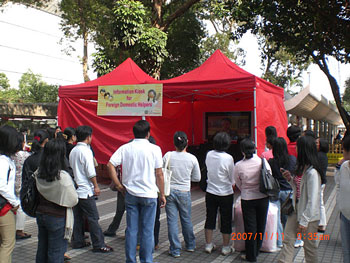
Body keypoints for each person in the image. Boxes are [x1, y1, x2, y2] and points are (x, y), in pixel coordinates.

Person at [107, 120, 166, 263]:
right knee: (147, 230)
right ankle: (147, 260)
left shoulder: (125, 148)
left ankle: (131, 260)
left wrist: (119, 186)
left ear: (133, 133)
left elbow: (110, 165)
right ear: (148, 133)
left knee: (131, 230)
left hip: (130, 194)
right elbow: (159, 174)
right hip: (150, 195)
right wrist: (162, 194)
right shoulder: (155, 149)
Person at [278, 135, 323, 263]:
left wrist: (304, 221)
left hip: (309, 215)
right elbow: (298, 190)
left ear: (303, 149)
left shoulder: (312, 173)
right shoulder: (303, 167)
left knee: (309, 247)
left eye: (298, 146)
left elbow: (313, 200)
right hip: (296, 209)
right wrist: (290, 179)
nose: (295, 148)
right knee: (288, 240)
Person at [69, 125, 113, 253]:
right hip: (85, 190)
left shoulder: (74, 151)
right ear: (88, 137)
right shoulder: (86, 151)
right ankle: (99, 244)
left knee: (77, 217)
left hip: (75, 189)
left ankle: (78, 241)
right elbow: (90, 172)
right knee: (93, 217)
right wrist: (96, 186)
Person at [35, 139, 78, 263]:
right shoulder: (63, 177)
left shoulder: (39, 172)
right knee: (56, 252)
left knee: (42, 249)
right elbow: (73, 199)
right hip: (57, 217)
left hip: (41, 213)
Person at [163, 131, 201, 257]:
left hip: (169, 191)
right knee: (186, 219)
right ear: (187, 143)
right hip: (184, 192)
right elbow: (197, 178)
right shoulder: (192, 158)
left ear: (174, 142)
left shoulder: (168, 155)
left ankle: (175, 249)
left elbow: (161, 172)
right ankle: (190, 245)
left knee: (171, 221)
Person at [234, 138, 270, 262]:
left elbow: (237, 182)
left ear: (242, 151)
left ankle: (251, 255)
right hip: (263, 198)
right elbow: (268, 176)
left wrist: (245, 189)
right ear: (255, 149)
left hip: (247, 198)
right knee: (261, 225)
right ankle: (257, 250)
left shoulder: (239, 165)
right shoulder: (262, 162)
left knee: (250, 228)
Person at [204, 132, 235, 256]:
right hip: (226, 193)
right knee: (226, 219)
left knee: (210, 217)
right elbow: (232, 178)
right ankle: (226, 247)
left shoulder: (209, 154)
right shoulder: (228, 158)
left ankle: (208, 244)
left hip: (210, 191)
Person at [268, 137, 296, 248]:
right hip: (288, 191)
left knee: (277, 218)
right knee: (289, 217)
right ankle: (289, 240)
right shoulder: (292, 159)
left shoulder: (271, 161)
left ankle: (279, 241)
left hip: (275, 192)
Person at [0, 125, 21, 263]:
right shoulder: (3, 161)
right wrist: (15, 202)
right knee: (7, 244)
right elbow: (2, 185)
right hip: (3, 208)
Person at [13, 133, 31, 240]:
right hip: (21, 183)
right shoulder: (24, 155)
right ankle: (19, 230)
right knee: (20, 207)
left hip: (11, 184)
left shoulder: (9, 155)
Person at [335, 135, 350, 263]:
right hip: (345, 215)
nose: (342, 152)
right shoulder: (344, 166)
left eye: (344, 149)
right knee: (346, 251)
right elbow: (338, 183)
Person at [316, 138, 328, 233]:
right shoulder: (323, 155)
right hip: (322, 181)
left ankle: (322, 224)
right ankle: (321, 223)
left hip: (319, 181)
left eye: (317, 143)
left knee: (320, 203)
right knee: (320, 202)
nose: (315, 144)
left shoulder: (319, 156)